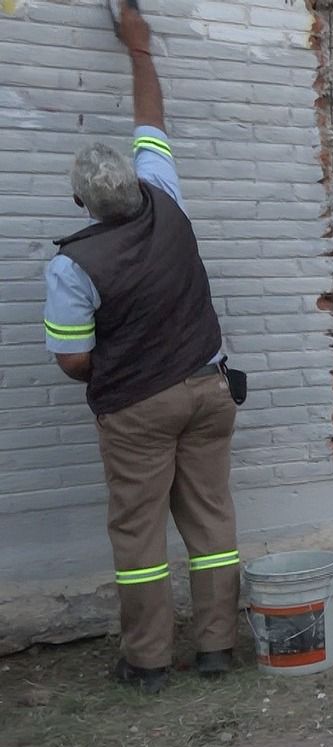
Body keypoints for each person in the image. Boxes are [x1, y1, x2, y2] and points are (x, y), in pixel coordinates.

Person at [42, 3, 240, 693]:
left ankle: (149, 662)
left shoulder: (74, 265)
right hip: (210, 391)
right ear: (134, 180)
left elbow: (72, 361)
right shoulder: (165, 196)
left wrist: (129, 365)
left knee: (139, 536)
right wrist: (139, 48)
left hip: (137, 410)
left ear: (81, 204)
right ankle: (217, 648)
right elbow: (150, 119)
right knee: (211, 519)